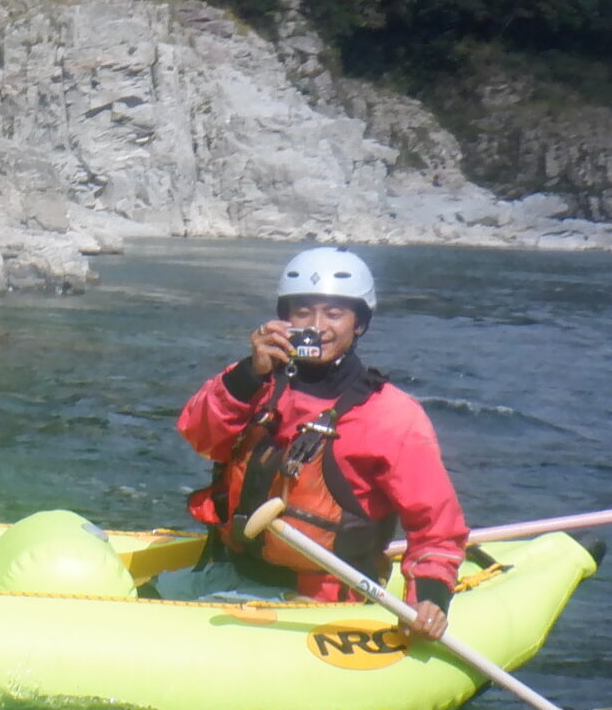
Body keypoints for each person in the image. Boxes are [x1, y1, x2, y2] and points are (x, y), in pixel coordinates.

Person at [167, 247, 466, 638]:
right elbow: (198, 436)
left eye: (334, 313)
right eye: (303, 312)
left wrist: (429, 596)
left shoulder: (392, 416)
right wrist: (247, 374)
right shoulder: (257, 381)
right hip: (232, 572)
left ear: (359, 323)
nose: (317, 326)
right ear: (283, 319)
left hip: (319, 602)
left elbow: (436, 528)